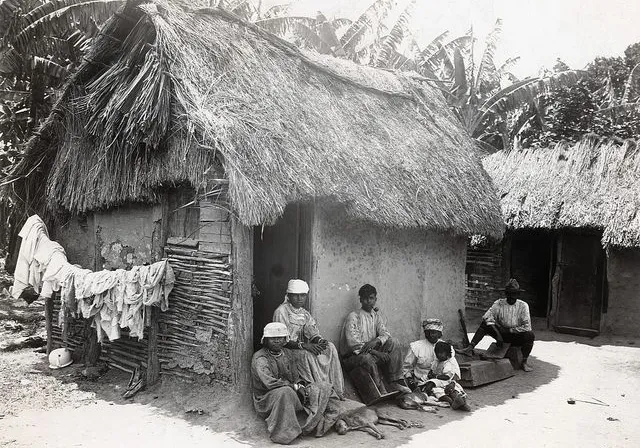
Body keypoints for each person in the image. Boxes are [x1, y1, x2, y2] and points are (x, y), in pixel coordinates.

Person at [251, 322, 337, 445]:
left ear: (285, 339)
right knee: (285, 392)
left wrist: (300, 385)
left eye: (280, 338)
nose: (276, 341)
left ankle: (314, 424)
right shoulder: (260, 358)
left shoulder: (288, 353)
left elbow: (295, 377)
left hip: (291, 392)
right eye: (272, 338)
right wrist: (293, 387)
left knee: (322, 387)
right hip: (267, 398)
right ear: (265, 340)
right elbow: (269, 383)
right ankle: (285, 434)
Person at [272, 279, 344, 399]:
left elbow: (312, 332)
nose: (299, 298)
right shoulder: (281, 311)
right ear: (289, 295)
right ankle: (319, 392)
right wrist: (303, 345)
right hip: (288, 350)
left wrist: (319, 341)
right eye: (296, 295)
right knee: (307, 355)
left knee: (330, 347)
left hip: (302, 347)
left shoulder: (305, 314)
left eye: (303, 295)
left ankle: (335, 388)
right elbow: (280, 341)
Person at [339, 284, 410, 396]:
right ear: (361, 300)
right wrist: (376, 352)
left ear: (375, 299)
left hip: (371, 351)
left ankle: (394, 381)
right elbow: (353, 343)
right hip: (353, 357)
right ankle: (379, 388)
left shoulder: (376, 316)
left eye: (371, 298)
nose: (368, 301)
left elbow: (385, 333)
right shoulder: (353, 316)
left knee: (394, 342)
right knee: (367, 358)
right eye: (365, 298)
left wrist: (376, 341)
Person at [460, 278, 535, 372]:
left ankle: (524, 361)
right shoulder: (499, 303)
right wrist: (498, 334)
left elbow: (527, 326)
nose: (511, 296)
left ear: (517, 294)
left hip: (516, 336)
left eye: (514, 294)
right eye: (509, 293)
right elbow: (487, 317)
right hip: (502, 334)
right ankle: (470, 348)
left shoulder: (523, 306)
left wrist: (510, 330)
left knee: (530, 335)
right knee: (484, 324)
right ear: (506, 294)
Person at [423, 341, 470, 411]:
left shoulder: (449, 363)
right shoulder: (437, 361)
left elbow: (447, 377)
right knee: (439, 392)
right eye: (437, 353)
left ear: (448, 354)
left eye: (441, 353)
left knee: (453, 390)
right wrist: (430, 374)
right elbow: (432, 369)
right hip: (439, 381)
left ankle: (460, 402)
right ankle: (453, 403)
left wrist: (435, 376)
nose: (438, 355)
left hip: (447, 381)